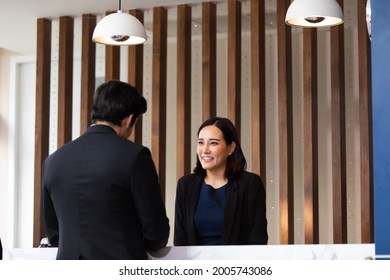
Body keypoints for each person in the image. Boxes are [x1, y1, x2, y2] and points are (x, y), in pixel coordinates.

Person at [41, 79, 169, 260]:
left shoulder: (53, 161)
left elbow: (54, 235)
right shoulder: (135, 156)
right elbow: (156, 233)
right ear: (129, 119)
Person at [174, 117, 268, 246]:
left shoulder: (250, 184)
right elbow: (180, 241)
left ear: (230, 148)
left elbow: (257, 239)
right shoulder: (185, 185)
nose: (205, 150)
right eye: (201, 142)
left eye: (213, 143)